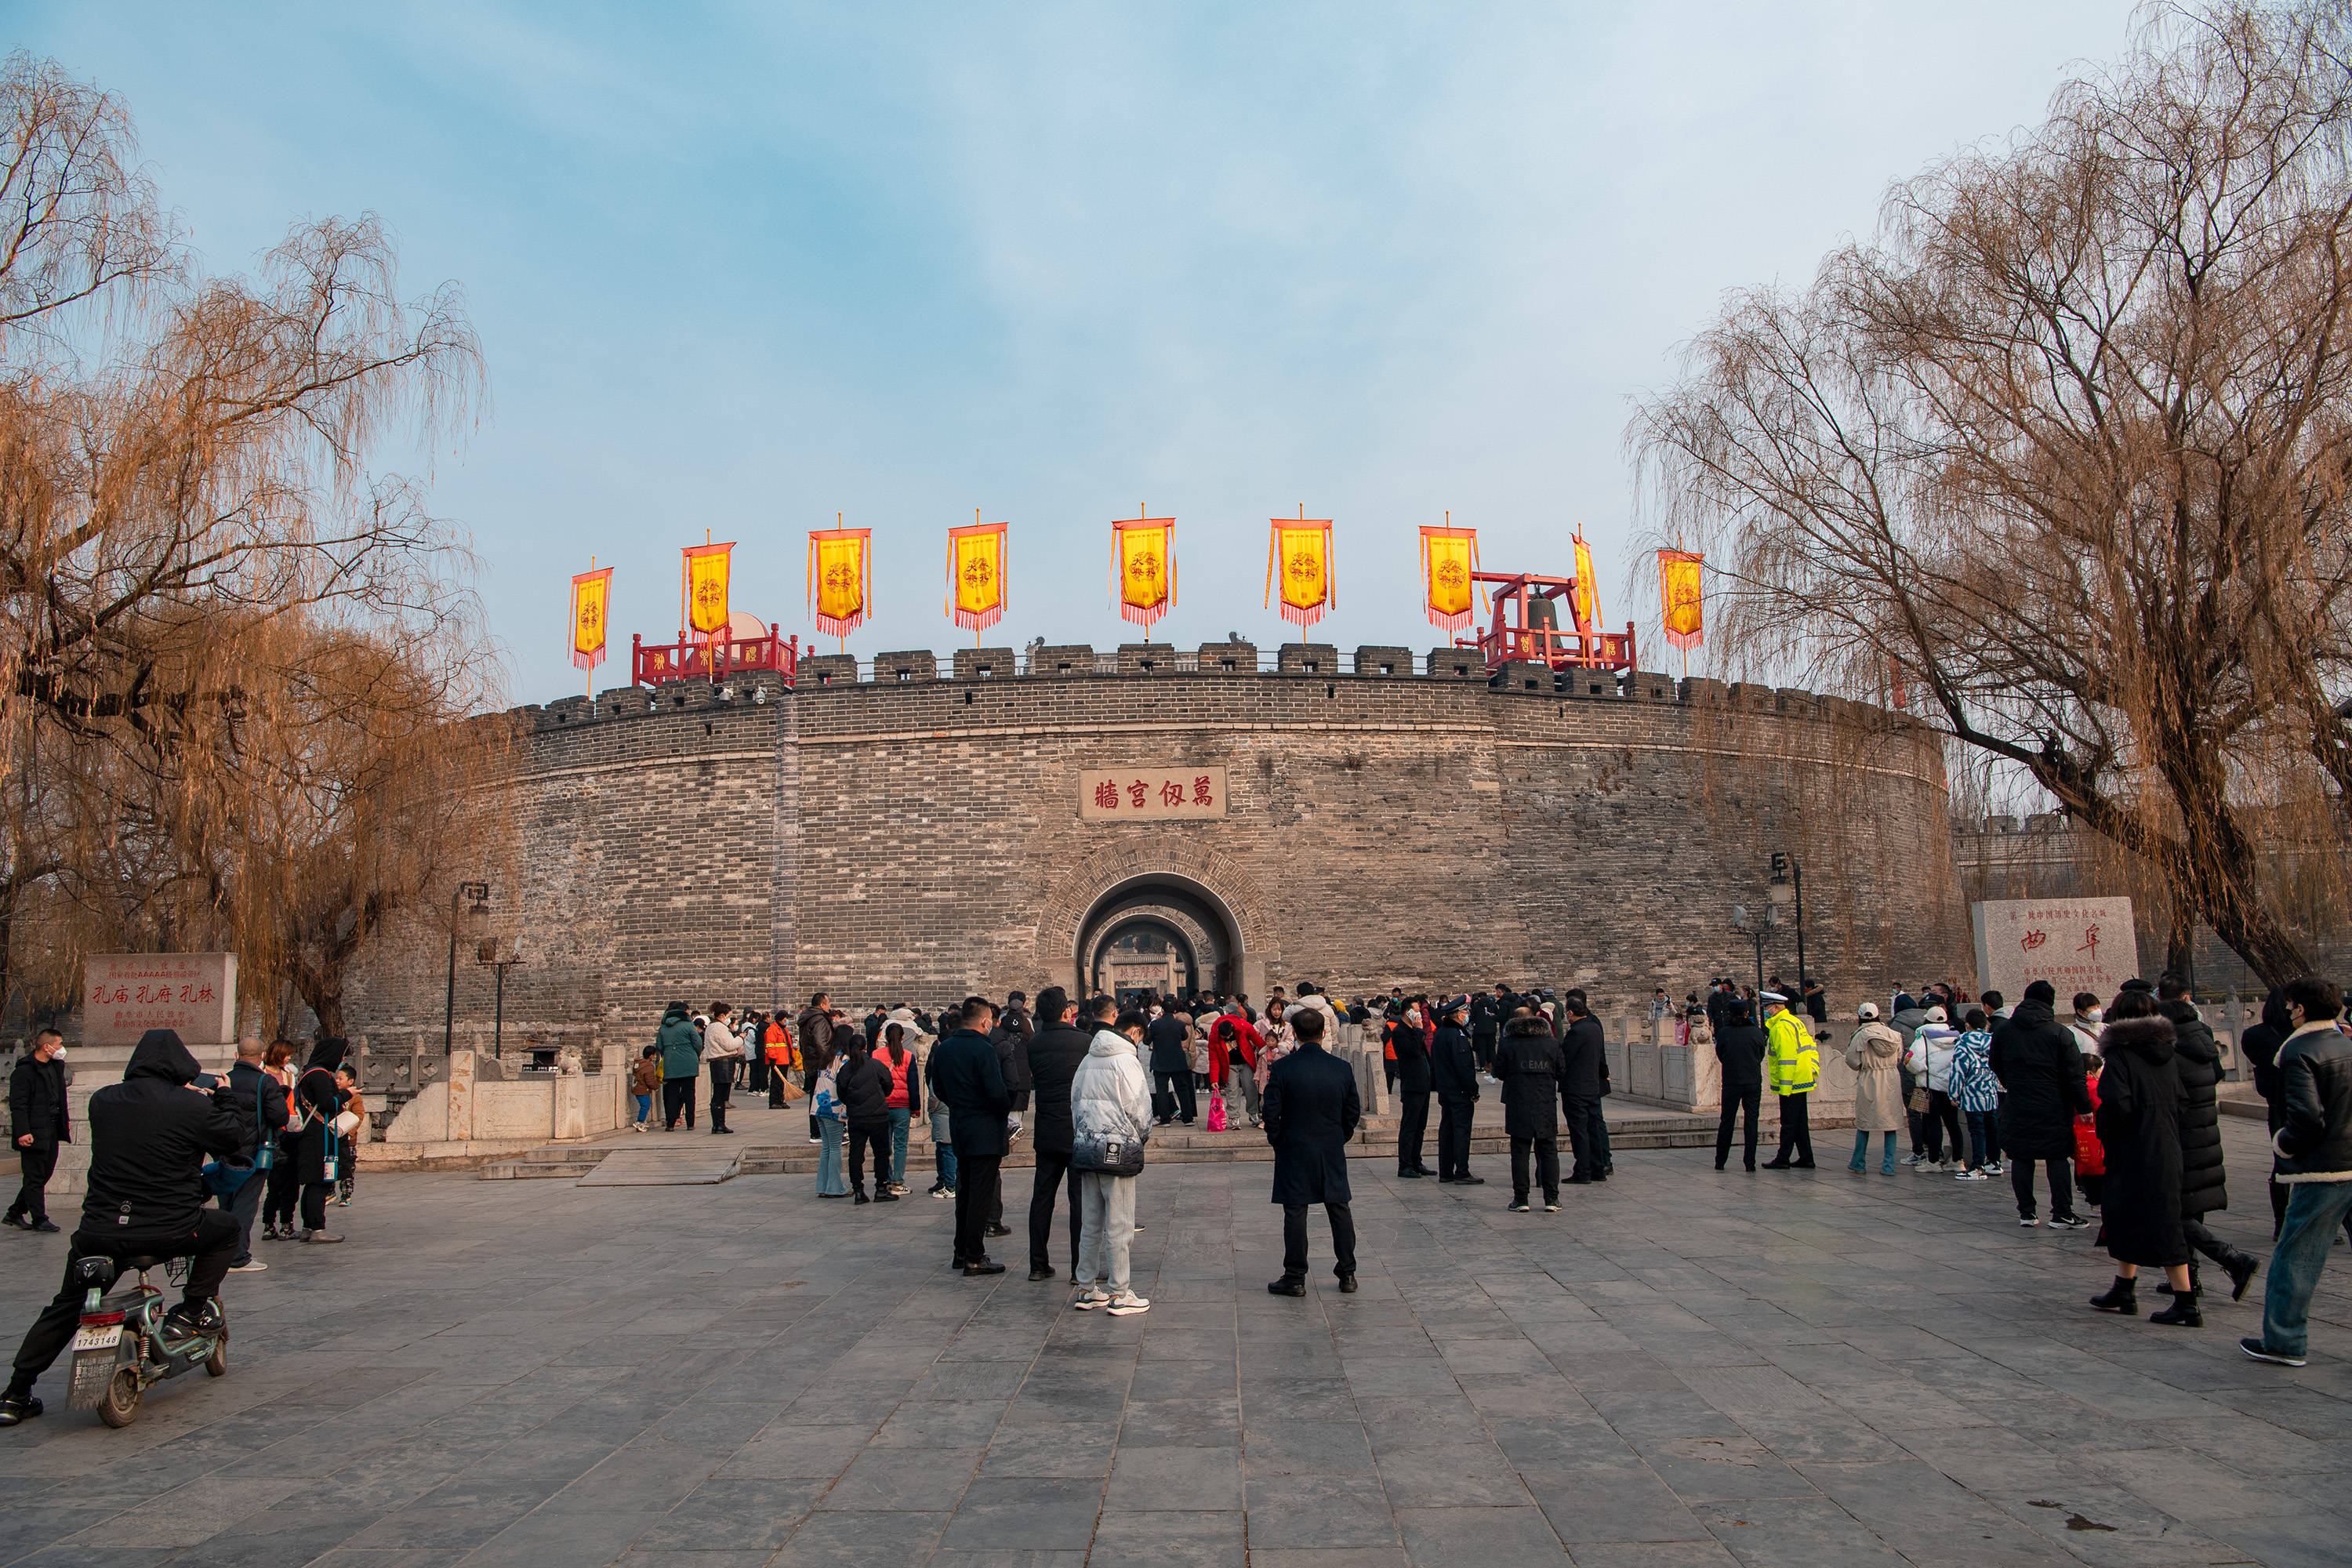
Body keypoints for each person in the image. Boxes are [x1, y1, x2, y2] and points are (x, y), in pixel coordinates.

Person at [0, 1029, 254, 1429]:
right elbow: (235, 1137)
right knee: (225, 1229)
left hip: (101, 1232)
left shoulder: (103, 1101)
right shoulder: (191, 1106)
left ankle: (15, 1394)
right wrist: (223, 1097)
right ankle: (189, 1312)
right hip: (171, 1228)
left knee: (67, 1306)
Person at [2243, 977, 2351, 1367]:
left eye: (2291, 1006)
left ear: (2301, 1010)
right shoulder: (2346, 1043)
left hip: (2324, 1169)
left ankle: (2285, 1341)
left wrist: (2284, 1144)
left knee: (2297, 1256)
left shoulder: (2299, 1049)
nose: (2288, 1011)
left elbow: (2306, 1118)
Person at [2087, 992, 2198, 1326]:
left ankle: (2186, 1302)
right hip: (2165, 1143)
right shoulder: (2167, 1052)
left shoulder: (2121, 1055)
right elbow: (2182, 1100)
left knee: (2161, 1223)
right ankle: (2124, 1287)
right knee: (2123, 1217)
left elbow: (2116, 1104)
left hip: (2134, 1148)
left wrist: (2106, 1129)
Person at [2153, 987, 2259, 1301]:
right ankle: (2190, 1277)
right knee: (2190, 1208)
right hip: (2205, 1136)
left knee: (2175, 1211)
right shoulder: (2203, 1051)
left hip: (2182, 1139)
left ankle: (2232, 1259)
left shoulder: (2172, 1057)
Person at [1263, 1004, 1361, 1294]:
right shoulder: (1341, 1068)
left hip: (1293, 1146)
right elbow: (1352, 1111)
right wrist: (1339, 1136)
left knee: (1295, 1211)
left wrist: (1278, 1139)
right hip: (1330, 1146)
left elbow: (1270, 1111)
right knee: (1339, 1208)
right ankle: (1347, 1274)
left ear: (1296, 1033)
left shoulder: (1282, 1068)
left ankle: (1295, 1277)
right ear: (1322, 1033)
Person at [1069, 1000, 1153, 1315]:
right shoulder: (1125, 1061)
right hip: (1117, 1147)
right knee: (1120, 1223)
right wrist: (1139, 1138)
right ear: (1134, 1032)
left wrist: (1085, 1135)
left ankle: (1087, 1288)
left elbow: (1075, 1103)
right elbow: (1140, 1109)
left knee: (1090, 1222)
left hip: (1087, 1146)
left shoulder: (1088, 1059)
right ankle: (1120, 1292)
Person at [1988, 980, 2091, 1229]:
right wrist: (2085, 1107)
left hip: (2018, 1102)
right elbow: (2075, 1075)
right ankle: (2062, 1213)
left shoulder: (2004, 1031)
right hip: (2054, 1104)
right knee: (2057, 1158)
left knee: (2022, 1157)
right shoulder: (2059, 1033)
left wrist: (2012, 1082)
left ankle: (2026, 1213)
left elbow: (1995, 1063)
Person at [933, 996, 1013, 1276]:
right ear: (985, 1021)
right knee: (980, 1193)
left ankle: (961, 1251)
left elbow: (939, 1088)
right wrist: (1003, 1110)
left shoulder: (945, 1048)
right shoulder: (984, 1049)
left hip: (960, 1125)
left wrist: (960, 1105)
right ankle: (975, 1256)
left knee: (964, 1191)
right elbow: (996, 1091)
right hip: (986, 1129)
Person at [1023, 987, 1089, 1282]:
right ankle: (1079, 1268)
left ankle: (1038, 1264)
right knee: (1079, 1201)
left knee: (1042, 1199)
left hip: (1047, 1130)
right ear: (1067, 1011)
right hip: (1077, 1129)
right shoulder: (1084, 1042)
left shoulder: (1034, 1044)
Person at [212, 1037, 289, 1271]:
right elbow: (280, 1117)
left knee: (226, 1203)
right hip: (254, 1152)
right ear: (262, 1056)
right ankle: (238, 1256)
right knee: (245, 1204)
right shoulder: (265, 1082)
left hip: (224, 1151)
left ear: (237, 1056)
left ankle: (220, 1253)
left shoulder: (223, 1080)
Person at [1493, 1011, 1564, 1211]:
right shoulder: (1551, 1044)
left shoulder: (1508, 1044)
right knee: (1549, 1152)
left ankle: (1521, 1199)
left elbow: (1500, 1072)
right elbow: (1561, 1071)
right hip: (1545, 1103)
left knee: (1520, 1152)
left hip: (1519, 1103)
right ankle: (1552, 1198)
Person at [5, 1027, 68, 1233]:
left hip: (51, 1128)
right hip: (32, 1131)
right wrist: (23, 1132)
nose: (61, 1048)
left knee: (44, 1174)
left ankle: (15, 1213)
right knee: (34, 1176)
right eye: (59, 1044)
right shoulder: (24, 1072)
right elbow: (18, 1105)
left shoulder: (55, 1067)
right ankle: (40, 1219)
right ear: (46, 1046)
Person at [288, 1040, 350, 1244]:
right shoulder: (320, 1075)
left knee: (313, 1182)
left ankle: (308, 1226)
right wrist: (346, 1094)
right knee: (320, 1181)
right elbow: (326, 1103)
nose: (341, 1061)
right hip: (319, 1135)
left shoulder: (308, 1073)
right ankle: (317, 1227)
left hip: (311, 1134)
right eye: (341, 1056)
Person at [1760, 991, 1818, 1170]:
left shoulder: (1780, 1027)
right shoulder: (1795, 1022)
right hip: (1802, 1078)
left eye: (1767, 1007)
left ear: (1776, 1007)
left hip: (1791, 1082)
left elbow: (1786, 1058)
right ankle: (1806, 1157)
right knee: (1800, 1122)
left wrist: (1784, 1088)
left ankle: (1783, 1158)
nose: (1765, 1011)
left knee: (1788, 1122)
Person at [834, 1029, 893, 1203]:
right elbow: (888, 1084)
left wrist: (853, 1103)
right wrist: (880, 1097)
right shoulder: (876, 1065)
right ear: (866, 1047)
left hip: (856, 1117)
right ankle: (881, 1188)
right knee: (881, 1153)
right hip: (878, 1116)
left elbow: (841, 1093)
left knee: (856, 1154)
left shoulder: (845, 1069)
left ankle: (858, 1189)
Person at [1845, 1004, 1904, 1175]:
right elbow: (1899, 1056)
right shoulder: (1893, 1034)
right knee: (1890, 1123)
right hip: (1891, 1078)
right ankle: (1889, 1166)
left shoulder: (1860, 1035)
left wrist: (1865, 1064)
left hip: (1870, 1077)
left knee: (1864, 1122)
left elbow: (1852, 1060)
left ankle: (1859, 1162)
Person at [1903, 1007, 1963, 1171]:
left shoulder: (1922, 1038)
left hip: (1926, 1087)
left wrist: (1922, 1068)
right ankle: (1958, 1160)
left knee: (1930, 1123)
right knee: (1953, 1124)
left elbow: (1910, 1060)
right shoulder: (1956, 1037)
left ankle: (1933, 1161)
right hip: (1950, 1087)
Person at [1432, 998, 1483, 1185]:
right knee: (1461, 1131)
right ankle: (1462, 1170)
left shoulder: (1441, 1033)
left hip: (1445, 1090)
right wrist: (1473, 1091)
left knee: (1447, 1130)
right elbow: (1464, 1067)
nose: (1467, 1016)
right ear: (1459, 1015)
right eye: (1465, 1013)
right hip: (1459, 1091)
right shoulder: (1457, 1036)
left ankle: (1445, 1171)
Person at [1559, 993, 1610, 1184]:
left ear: (1570, 1013)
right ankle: (1598, 1168)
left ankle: (1583, 1170)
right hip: (1592, 1086)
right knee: (1594, 1128)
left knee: (1579, 1130)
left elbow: (1565, 1059)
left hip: (1576, 1088)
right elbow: (1601, 1057)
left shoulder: (1576, 1032)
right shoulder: (1595, 1028)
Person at [1948, 1009, 2001, 1180]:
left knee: (1977, 1130)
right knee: (1992, 1127)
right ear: (1986, 1025)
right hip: (1991, 1092)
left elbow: (1959, 1071)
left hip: (1972, 1094)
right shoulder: (1994, 1041)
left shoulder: (1963, 1043)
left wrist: (1954, 1094)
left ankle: (1977, 1167)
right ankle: (1994, 1162)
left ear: (1967, 1025)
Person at [1714, 1001, 1766, 1171]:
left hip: (1731, 1081)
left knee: (1727, 1120)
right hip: (1752, 1081)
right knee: (1751, 1121)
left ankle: (1720, 1161)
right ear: (1746, 1013)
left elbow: (1720, 1054)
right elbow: (1760, 1054)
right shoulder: (1756, 1033)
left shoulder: (1724, 1033)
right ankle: (1750, 1162)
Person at [258, 1042, 301, 1241]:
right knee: (276, 1185)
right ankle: (272, 1225)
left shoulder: (289, 1076)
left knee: (284, 1184)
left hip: (288, 1132)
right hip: (270, 1132)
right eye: (287, 1055)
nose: (289, 1059)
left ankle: (283, 1225)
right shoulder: (261, 1074)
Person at [874, 1022, 920, 1196]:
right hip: (902, 1106)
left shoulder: (876, 1055)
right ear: (903, 1037)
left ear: (885, 1037)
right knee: (901, 1145)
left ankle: (886, 1177)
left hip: (882, 1106)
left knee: (883, 1145)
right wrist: (916, 1109)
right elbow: (913, 1085)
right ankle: (898, 1181)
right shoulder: (908, 1056)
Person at [1391, 997, 1435, 1178]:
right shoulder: (1401, 1032)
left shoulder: (1413, 1031)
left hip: (1422, 1083)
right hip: (1412, 1085)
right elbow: (1412, 1051)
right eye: (1416, 1010)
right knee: (1410, 1126)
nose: (1419, 1014)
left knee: (1420, 1126)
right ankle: (1405, 1164)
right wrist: (1418, 1030)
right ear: (1408, 1012)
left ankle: (1416, 1161)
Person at [812, 1029, 851, 1198]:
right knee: (835, 1147)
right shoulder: (844, 1060)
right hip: (833, 1107)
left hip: (818, 1105)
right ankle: (835, 1187)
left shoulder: (827, 1057)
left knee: (826, 1147)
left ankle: (823, 1185)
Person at [1146, 1003, 1195, 1126]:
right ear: (1174, 1011)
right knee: (1182, 1089)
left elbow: (1147, 1040)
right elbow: (1184, 1036)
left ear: (1162, 1010)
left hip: (1160, 1061)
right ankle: (1188, 1118)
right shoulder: (1179, 1024)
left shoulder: (1155, 1024)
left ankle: (1165, 1119)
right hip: (1177, 1061)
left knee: (1162, 1091)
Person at [656, 1002, 702, 1131]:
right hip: (689, 1062)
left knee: (672, 1094)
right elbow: (698, 1043)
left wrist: (669, 1054)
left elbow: (659, 1046)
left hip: (670, 1063)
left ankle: (670, 1124)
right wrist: (694, 1055)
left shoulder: (663, 1028)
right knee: (689, 1093)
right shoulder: (689, 1026)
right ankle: (690, 1123)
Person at [797, 991, 832, 1142]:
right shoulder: (819, 1019)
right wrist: (829, 1061)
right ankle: (818, 1132)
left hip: (810, 1062)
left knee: (814, 1097)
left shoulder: (807, 1019)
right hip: (819, 1064)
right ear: (822, 1004)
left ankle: (816, 1132)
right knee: (821, 1097)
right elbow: (820, 1043)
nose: (829, 1006)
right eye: (828, 1003)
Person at [703, 1002, 742, 1135]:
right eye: (728, 1016)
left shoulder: (711, 1027)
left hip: (719, 1063)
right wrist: (740, 1038)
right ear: (722, 1016)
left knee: (720, 1095)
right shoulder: (718, 1028)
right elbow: (729, 1045)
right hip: (722, 1063)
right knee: (720, 1095)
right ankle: (718, 1125)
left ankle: (720, 1124)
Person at [332, 1062, 365, 1206]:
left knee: (347, 1167)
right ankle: (329, 1191)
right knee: (330, 1165)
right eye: (336, 1078)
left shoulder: (355, 1097)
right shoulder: (332, 1095)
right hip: (332, 1137)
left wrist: (349, 1132)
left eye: (341, 1079)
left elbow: (359, 1116)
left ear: (350, 1081)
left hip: (347, 1139)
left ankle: (346, 1194)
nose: (337, 1081)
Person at [763, 1012, 797, 1109]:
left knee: (782, 1082)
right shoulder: (772, 1030)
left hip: (784, 1059)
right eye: (786, 1018)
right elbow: (770, 1045)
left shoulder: (783, 1029)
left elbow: (788, 1045)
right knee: (776, 1082)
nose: (787, 1020)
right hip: (777, 1060)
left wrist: (791, 1059)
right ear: (781, 1019)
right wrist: (772, 1058)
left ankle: (780, 1100)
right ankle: (774, 1102)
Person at [630, 1045, 661, 1131]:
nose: (655, 1056)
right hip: (643, 1089)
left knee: (645, 1105)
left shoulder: (638, 1063)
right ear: (651, 1056)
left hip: (636, 1087)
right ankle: (639, 1122)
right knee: (645, 1105)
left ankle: (642, 1121)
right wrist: (656, 1087)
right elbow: (650, 1081)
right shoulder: (649, 1067)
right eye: (654, 1055)